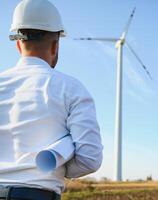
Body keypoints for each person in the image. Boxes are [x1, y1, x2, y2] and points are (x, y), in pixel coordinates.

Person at [0, 0, 103, 199]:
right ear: (55, 45)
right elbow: (90, 159)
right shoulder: (72, 89)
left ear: (18, 43)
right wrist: (54, 163)